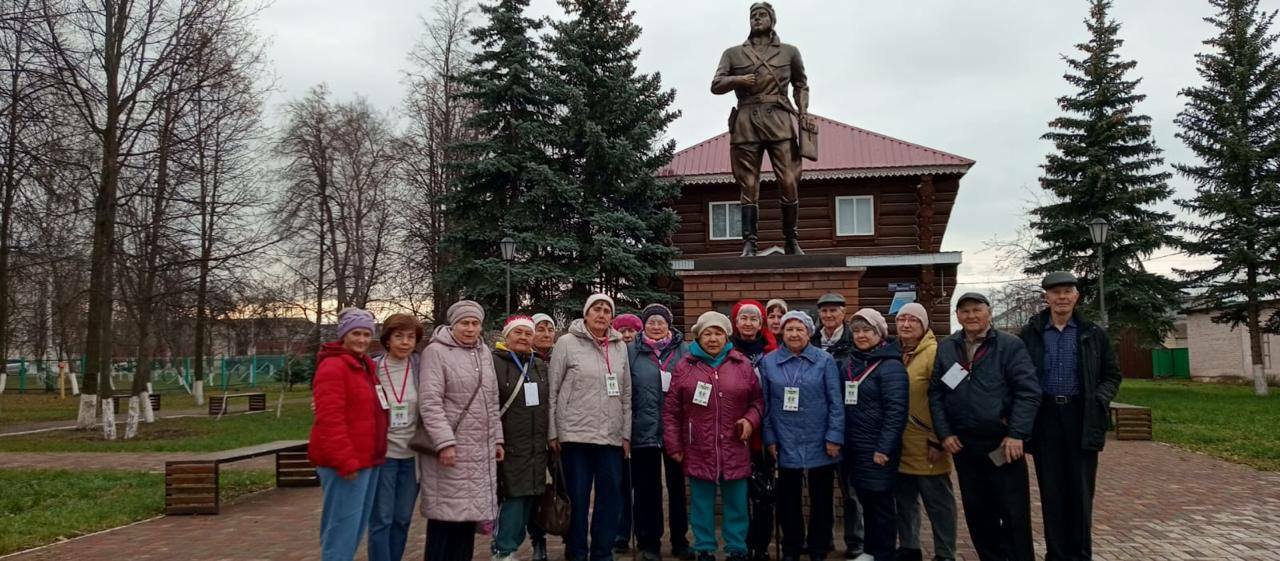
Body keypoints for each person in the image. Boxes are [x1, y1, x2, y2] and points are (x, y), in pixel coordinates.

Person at [928, 293, 1040, 561]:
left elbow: (1028, 391)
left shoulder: (1009, 345)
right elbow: (937, 393)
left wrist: (1016, 433)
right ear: (957, 316)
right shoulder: (948, 347)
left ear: (988, 312)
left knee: (1012, 512)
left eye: (977, 310)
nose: (971, 316)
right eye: (965, 311)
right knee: (978, 513)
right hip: (965, 445)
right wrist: (945, 433)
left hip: (1001, 444)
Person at [1020, 272, 1122, 561]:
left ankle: (1079, 555)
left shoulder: (1092, 333)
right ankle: (1056, 553)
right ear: (1046, 298)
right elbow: (1021, 375)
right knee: (1052, 492)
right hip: (1046, 417)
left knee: (1080, 492)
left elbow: (1112, 375)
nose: (1061, 297)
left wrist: (1098, 399)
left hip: (1081, 415)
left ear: (1076, 296)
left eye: (1067, 291)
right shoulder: (1033, 333)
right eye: (1055, 293)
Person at [711, 1, 811, 256]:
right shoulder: (733, 53)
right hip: (746, 121)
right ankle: (749, 243)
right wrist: (738, 80)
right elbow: (716, 84)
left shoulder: (790, 52)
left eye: (762, 15)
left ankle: (791, 240)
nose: (757, 19)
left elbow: (801, 84)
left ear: (772, 20)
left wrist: (802, 114)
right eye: (753, 15)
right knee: (748, 185)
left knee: (789, 181)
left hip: (779, 119)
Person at [665, 311, 764, 561]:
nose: (712, 338)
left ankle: (736, 548)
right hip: (698, 447)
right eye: (707, 333)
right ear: (698, 337)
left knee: (736, 504)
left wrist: (750, 421)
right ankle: (704, 548)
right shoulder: (684, 366)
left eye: (718, 333)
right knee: (700, 503)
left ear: (726, 336)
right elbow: (671, 410)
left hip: (734, 446)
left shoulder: (741, 364)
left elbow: (758, 402)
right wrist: (674, 444)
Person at [548, 293, 633, 561]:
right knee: (578, 499)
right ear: (586, 314)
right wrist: (553, 430)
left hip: (610, 437)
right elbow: (553, 389)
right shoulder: (566, 343)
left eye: (607, 310)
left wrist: (626, 434)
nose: (601, 314)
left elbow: (627, 393)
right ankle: (576, 552)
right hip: (575, 436)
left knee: (610, 501)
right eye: (596, 309)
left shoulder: (619, 346)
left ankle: (602, 553)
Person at [418, 300, 504, 561]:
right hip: (451, 449)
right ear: (453, 325)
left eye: (475, 323)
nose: (470, 328)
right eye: (464, 323)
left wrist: (498, 439)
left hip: (479, 451)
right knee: (445, 517)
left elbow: (492, 401)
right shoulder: (436, 352)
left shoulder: (484, 353)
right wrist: (444, 443)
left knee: (467, 518)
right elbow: (430, 402)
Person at [760, 310, 844, 561]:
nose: (794, 334)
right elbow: (764, 405)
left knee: (821, 498)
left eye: (800, 329)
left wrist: (834, 436)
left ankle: (819, 546)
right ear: (782, 333)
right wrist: (770, 439)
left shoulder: (824, 360)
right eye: (789, 329)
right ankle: (791, 546)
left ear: (809, 332)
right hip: (785, 438)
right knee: (788, 500)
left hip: (820, 438)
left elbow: (836, 401)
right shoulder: (769, 362)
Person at [309, 307, 389, 561]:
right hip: (345, 462)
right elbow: (329, 420)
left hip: (368, 458)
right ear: (343, 335)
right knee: (341, 529)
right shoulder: (333, 367)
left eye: (367, 334)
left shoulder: (364, 365)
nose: (362, 340)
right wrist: (345, 460)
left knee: (353, 528)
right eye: (356, 333)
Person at [624, 303, 694, 561]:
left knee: (677, 489)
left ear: (669, 324)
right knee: (646, 491)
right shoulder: (630, 351)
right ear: (644, 325)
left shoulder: (684, 350)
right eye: (651, 321)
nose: (655, 326)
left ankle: (680, 540)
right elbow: (625, 390)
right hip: (643, 430)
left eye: (660, 321)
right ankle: (649, 542)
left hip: (676, 431)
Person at [840, 309, 908, 561]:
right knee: (866, 501)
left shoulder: (891, 366)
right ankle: (870, 550)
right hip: (855, 447)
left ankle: (883, 553)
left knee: (880, 504)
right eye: (856, 330)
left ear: (879, 333)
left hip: (878, 448)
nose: (861, 335)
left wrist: (884, 448)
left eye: (867, 330)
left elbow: (896, 411)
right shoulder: (851, 363)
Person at [891, 304, 956, 561]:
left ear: (924, 325)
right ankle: (909, 546)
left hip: (928, 442)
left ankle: (945, 552)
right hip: (900, 442)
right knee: (905, 501)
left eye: (912, 320)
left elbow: (953, 396)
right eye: (901, 319)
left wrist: (940, 437)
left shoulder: (938, 353)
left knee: (938, 502)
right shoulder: (895, 353)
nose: (906, 324)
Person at [492, 316, 552, 561]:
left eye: (528, 334)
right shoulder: (494, 362)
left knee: (531, 496)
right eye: (518, 333)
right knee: (513, 498)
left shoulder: (537, 363)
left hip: (536, 445)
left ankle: (516, 546)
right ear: (507, 336)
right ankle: (504, 549)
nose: (523, 338)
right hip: (510, 444)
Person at [368, 313, 425, 561]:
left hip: (412, 455)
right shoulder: (372, 367)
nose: (405, 342)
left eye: (410, 337)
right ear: (387, 339)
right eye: (398, 336)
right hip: (384, 454)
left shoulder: (421, 367)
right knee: (382, 519)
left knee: (402, 519)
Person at [811, 292, 863, 559]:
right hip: (816, 426)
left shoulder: (854, 342)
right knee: (821, 490)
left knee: (850, 488)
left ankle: (855, 540)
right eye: (824, 311)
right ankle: (824, 537)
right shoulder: (811, 341)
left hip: (848, 424)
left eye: (834, 311)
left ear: (844, 313)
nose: (829, 316)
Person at [729, 300, 779, 561]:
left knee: (765, 494)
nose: (748, 323)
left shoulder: (774, 352)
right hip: (735, 434)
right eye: (743, 318)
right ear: (735, 322)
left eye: (754, 319)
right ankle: (740, 544)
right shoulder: (724, 351)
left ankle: (761, 545)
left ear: (761, 323)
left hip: (766, 433)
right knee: (738, 495)